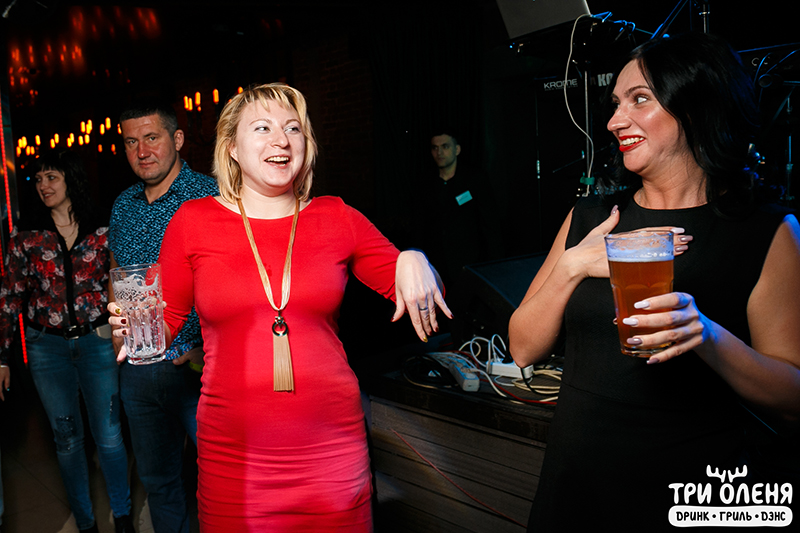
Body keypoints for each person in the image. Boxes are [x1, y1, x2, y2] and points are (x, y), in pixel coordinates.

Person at [110, 83, 451, 531]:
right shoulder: (193, 222)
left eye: (293, 128)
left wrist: (414, 259)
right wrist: (133, 327)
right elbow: (168, 318)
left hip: (332, 452)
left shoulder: (337, 217)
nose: (281, 140)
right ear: (232, 148)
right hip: (235, 458)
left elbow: (415, 286)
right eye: (263, 128)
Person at [509, 32, 800, 531]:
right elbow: (522, 348)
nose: (614, 121)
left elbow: (793, 400)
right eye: (616, 103)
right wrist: (573, 265)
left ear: (696, 106)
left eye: (639, 99)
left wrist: (707, 336)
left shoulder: (766, 231)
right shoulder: (593, 217)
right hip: (577, 485)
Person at [0, 150, 134, 533]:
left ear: (70, 180)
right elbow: (9, 297)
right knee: (67, 439)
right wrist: (3, 357)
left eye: (52, 177)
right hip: (47, 349)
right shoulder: (27, 236)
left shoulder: (103, 228)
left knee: (109, 436)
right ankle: (87, 523)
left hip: (97, 342)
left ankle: (123, 518)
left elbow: (121, 283)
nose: (43, 186)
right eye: (39, 179)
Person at [108, 101, 218, 533]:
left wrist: (207, 348)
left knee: (223, 479)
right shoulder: (123, 205)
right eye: (130, 142)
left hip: (196, 368)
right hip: (137, 370)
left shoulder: (210, 195)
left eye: (151, 137)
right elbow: (116, 270)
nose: (141, 151)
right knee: (159, 484)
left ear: (177, 139)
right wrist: (118, 336)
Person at [416, 131, 502, 288]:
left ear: (457, 149)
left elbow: (489, 223)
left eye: (445, 146)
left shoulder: (475, 179)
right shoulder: (426, 183)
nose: (439, 152)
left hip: (470, 265)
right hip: (436, 268)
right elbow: (421, 226)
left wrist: (492, 264)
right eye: (435, 148)